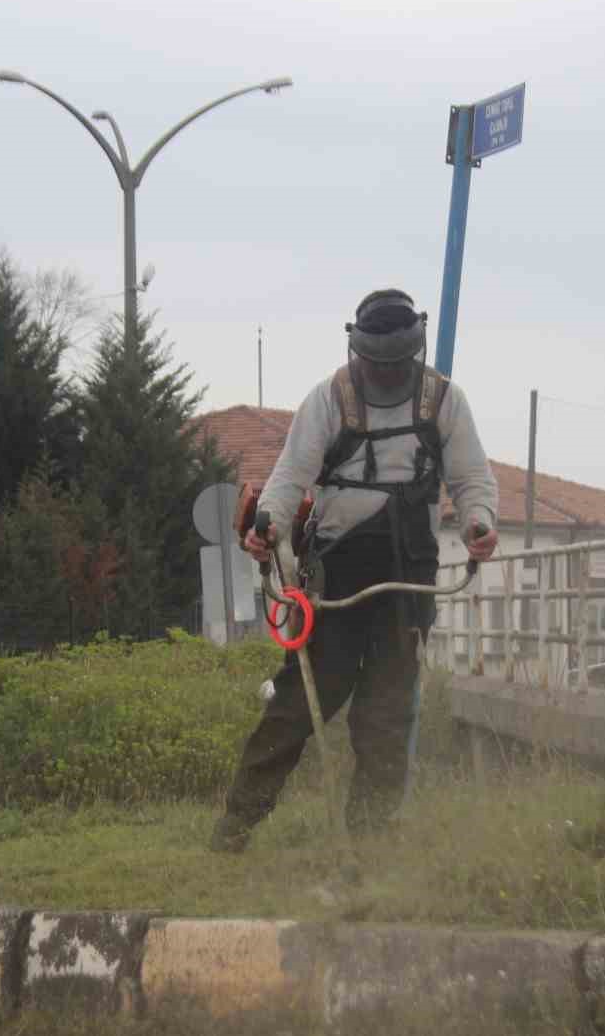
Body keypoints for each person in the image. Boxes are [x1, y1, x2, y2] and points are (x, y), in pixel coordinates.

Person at [210, 288, 499, 853]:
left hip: (409, 576)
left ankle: (370, 838)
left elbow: (471, 482)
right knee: (296, 706)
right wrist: (265, 524)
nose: (387, 373)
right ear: (356, 350)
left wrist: (478, 525)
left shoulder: (444, 402)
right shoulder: (329, 399)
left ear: (413, 354)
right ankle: (235, 825)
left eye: (397, 364)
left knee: (387, 715)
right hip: (337, 574)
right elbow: (291, 475)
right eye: (376, 363)